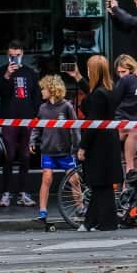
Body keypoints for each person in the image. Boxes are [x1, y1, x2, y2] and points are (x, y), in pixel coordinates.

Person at [0, 40, 41, 209]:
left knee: (25, 157)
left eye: (17, 55)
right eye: (11, 56)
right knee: (8, 156)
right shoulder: (1, 72)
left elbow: (37, 96)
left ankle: (24, 192)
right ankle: (6, 193)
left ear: (22, 54)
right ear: (7, 55)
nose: (14, 59)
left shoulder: (31, 73)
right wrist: (7, 75)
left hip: (27, 119)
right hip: (9, 119)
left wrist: (35, 117)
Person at [79, 55, 122, 231]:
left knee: (100, 183)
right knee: (102, 184)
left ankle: (106, 222)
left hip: (98, 144)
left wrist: (83, 146)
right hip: (110, 140)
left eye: (89, 69)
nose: (88, 72)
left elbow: (92, 123)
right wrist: (78, 78)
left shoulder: (97, 95)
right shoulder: (109, 90)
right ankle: (93, 221)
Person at [31, 75, 81, 222]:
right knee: (46, 178)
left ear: (52, 90)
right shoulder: (43, 108)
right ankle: (42, 211)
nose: (41, 92)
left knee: (74, 180)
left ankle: (80, 206)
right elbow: (37, 127)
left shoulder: (67, 106)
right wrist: (33, 140)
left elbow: (75, 127)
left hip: (65, 151)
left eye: (43, 89)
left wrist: (77, 146)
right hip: (48, 150)